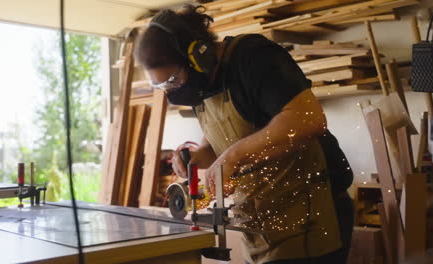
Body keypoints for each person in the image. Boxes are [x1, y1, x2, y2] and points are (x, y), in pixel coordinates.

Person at [135, 5, 354, 264]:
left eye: (172, 80)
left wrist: (234, 156)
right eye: (161, 85)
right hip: (262, 225)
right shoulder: (200, 85)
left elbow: (308, 118)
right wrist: (201, 155)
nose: (172, 91)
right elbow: (229, 136)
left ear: (197, 55)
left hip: (310, 219)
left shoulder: (253, 58)